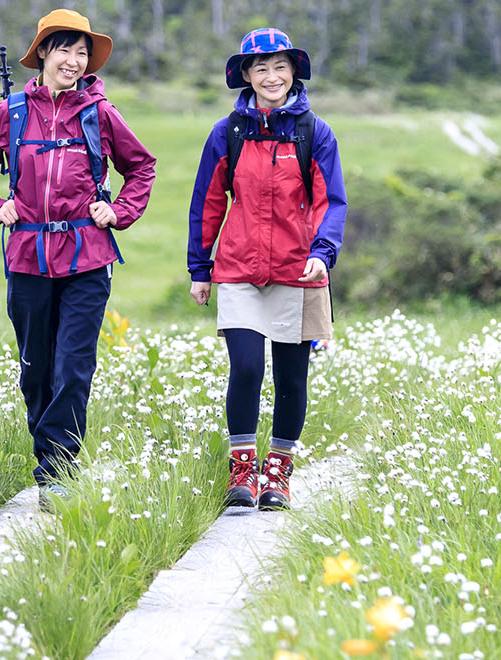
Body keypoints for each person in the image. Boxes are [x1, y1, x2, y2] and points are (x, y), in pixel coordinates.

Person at [0, 8, 156, 511]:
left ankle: (56, 473)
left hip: (88, 257)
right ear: (43, 52)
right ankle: (50, 458)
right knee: (35, 371)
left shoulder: (99, 113)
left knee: (73, 367)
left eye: (82, 52)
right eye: (64, 49)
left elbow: (141, 167)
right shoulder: (11, 112)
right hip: (26, 256)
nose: (74, 60)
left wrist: (117, 211)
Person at [187, 27, 347, 511]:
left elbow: (331, 201)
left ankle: (278, 473)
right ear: (246, 75)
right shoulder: (228, 132)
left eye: (280, 66)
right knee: (248, 367)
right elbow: (208, 201)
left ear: (294, 72)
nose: (271, 76)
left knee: (292, 378)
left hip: (300, 270)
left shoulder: (313, 132)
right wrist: (201, 267)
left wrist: (323, 252)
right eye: (261, 68)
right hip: (238, 268)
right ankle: (242, 472)